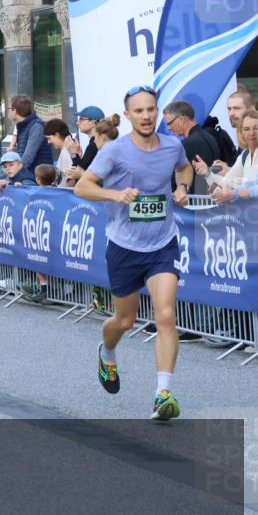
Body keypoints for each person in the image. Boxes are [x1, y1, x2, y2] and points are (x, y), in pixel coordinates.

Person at [74, 85, 194, 420]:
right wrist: (115, 195)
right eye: (138, 110)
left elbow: (184, 168)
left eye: (150, 109)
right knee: (124, 320)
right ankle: (107, 351)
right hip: (124, 246)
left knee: (166, 315)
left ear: (157, 112)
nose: (146, 116)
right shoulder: (114, 151)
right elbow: (82, 186)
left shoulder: (172, 146)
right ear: (127, 115)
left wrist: (182, 187)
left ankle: (162, 394)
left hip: (162, 243)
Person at [162, 100, 220, 195]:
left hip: (196, 199)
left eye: (169, 123)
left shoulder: (188, 143)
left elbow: (176, 178)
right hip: (213, 197)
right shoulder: (211, 137)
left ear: (181, 119)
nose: (169, 128)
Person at [198, 109, 258, 195]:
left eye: (256, 128)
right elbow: (227, 182)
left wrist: (234, 192)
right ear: (241, 132)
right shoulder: (245, 155)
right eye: (246, 129)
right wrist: (207, 173)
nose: (251, 133)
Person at [10, 95, 52, 171]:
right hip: (30, 174)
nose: (10, 112)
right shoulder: (23, 126)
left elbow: (27, 158)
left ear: (15, 111)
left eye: (10, 109)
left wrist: (12, 174)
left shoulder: (36, 126)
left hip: (38, 176)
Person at [44, 119, 82, 187]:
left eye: (49, 138)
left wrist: (65, 192)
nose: (48, 142)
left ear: (57, 134)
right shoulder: (66, 149)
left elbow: (71, 178)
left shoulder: (68, 151)